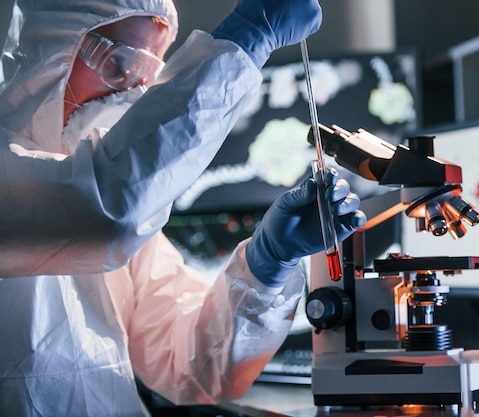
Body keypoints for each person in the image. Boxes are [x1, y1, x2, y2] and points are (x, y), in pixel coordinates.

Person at [0, 0, 366, 415]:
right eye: (118, 62)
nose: (130, 93)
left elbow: (193, 369)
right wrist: (247, 41)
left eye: (146, 78)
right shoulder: (50, 188)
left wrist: (266, 266)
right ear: (45, 47)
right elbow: (105, 211)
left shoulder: (111, 209)